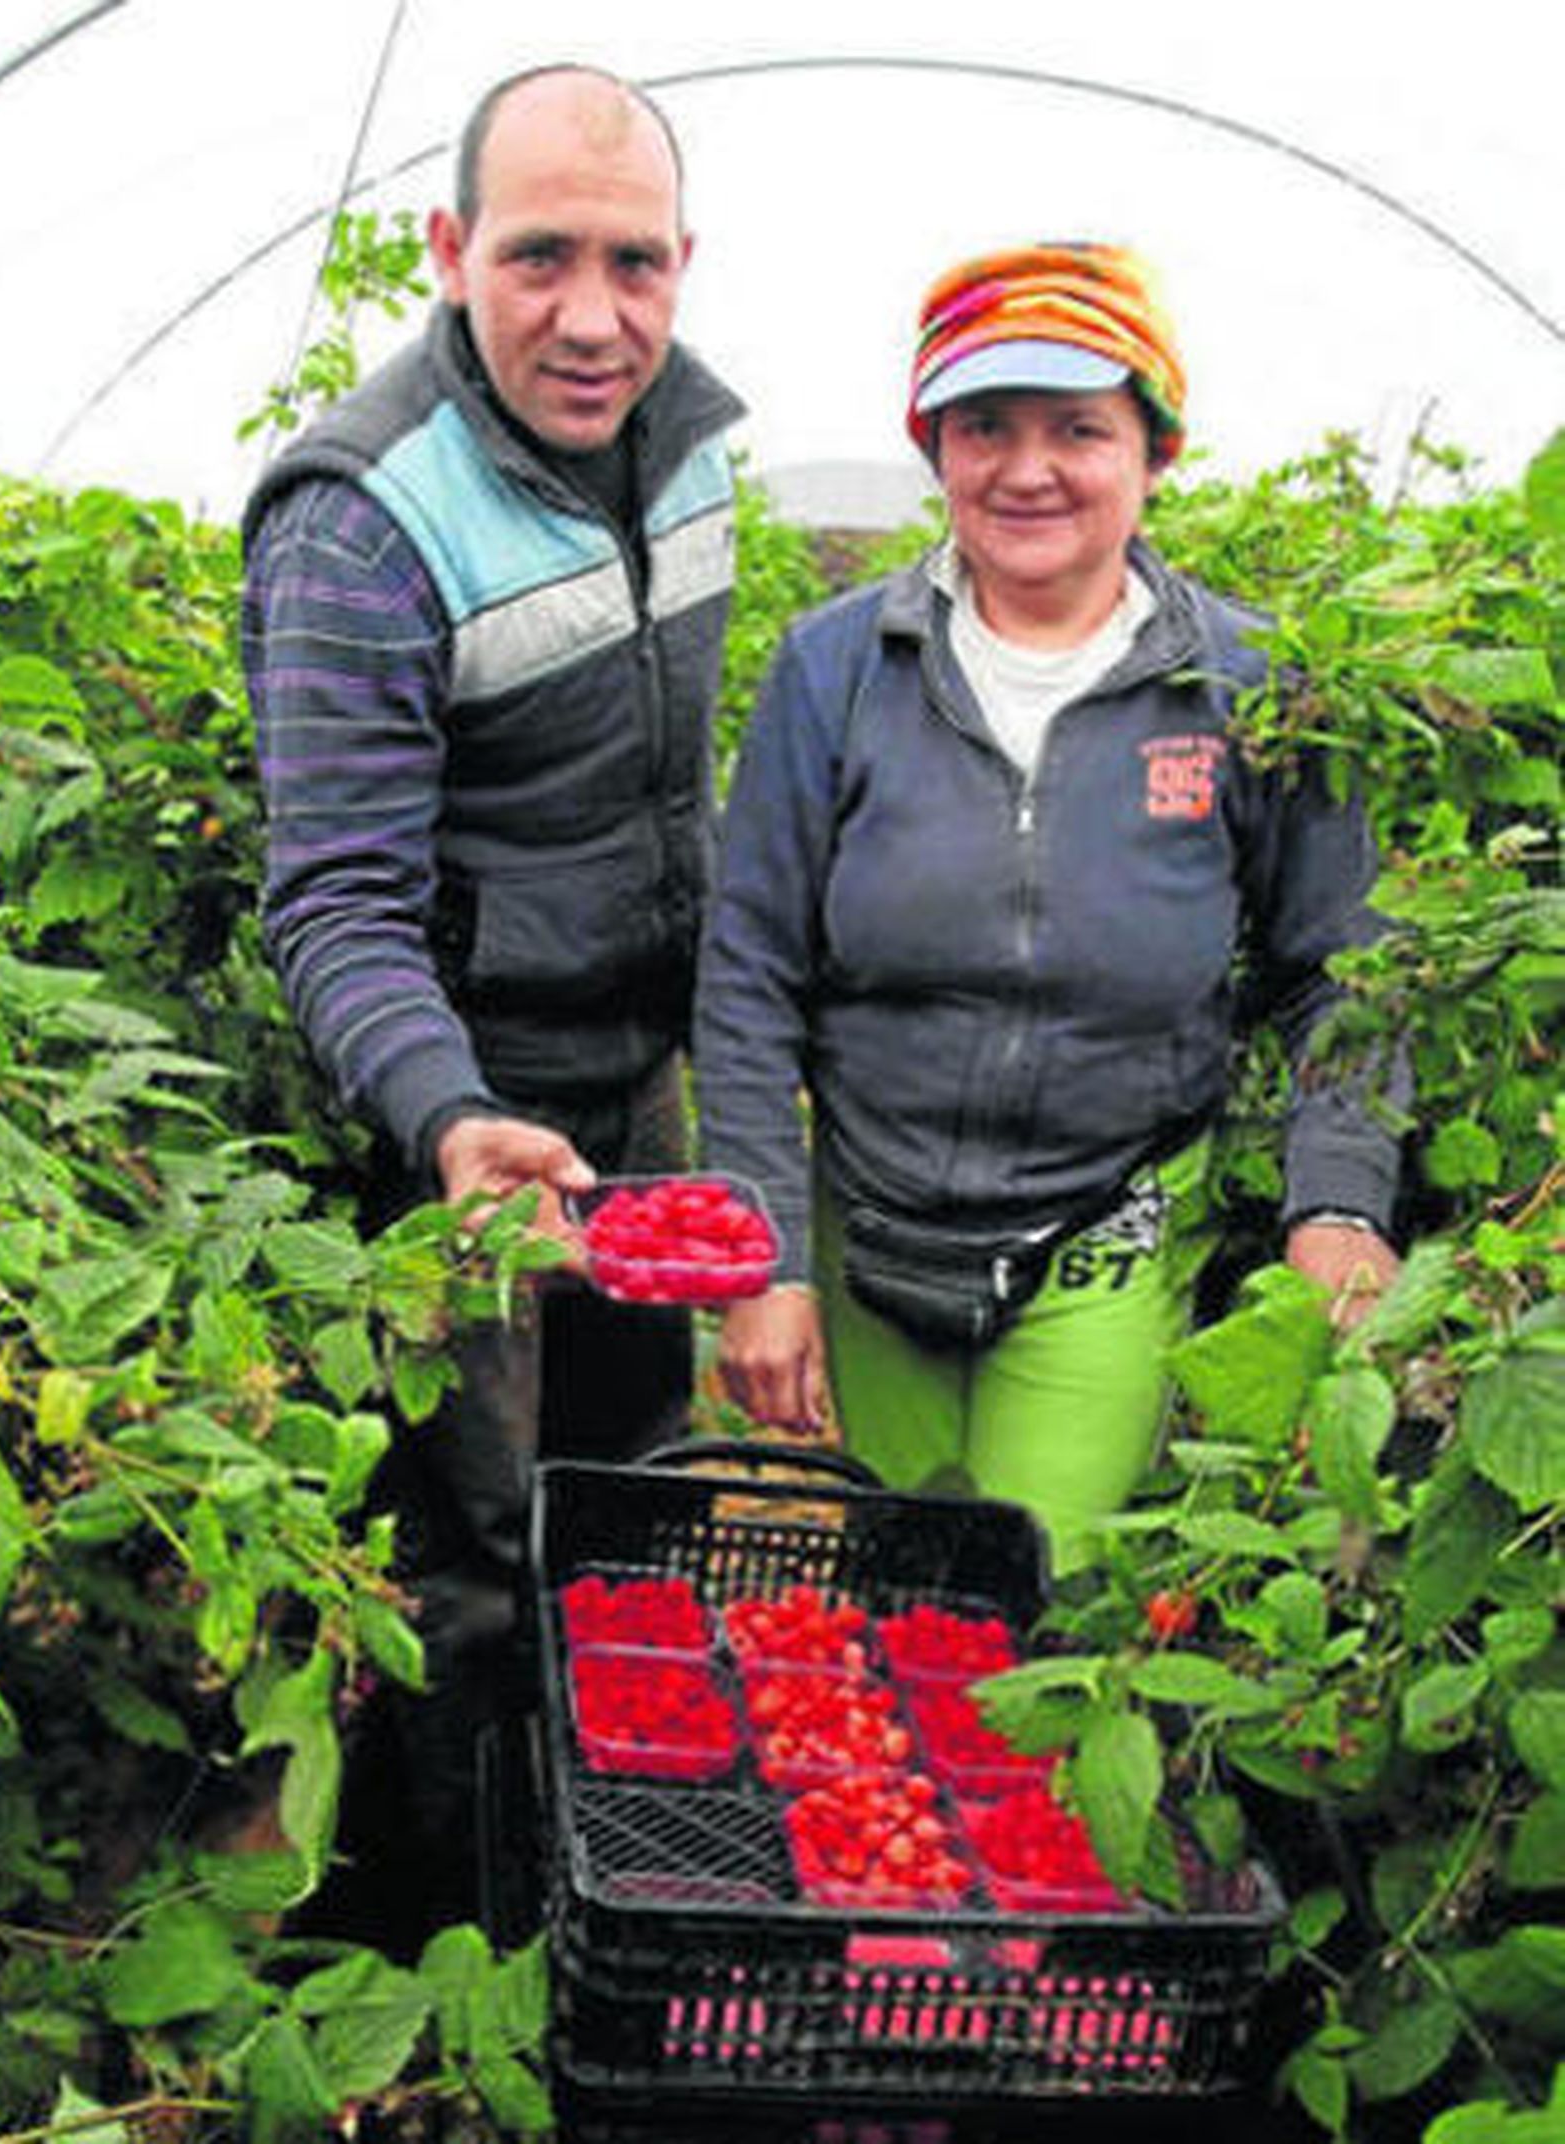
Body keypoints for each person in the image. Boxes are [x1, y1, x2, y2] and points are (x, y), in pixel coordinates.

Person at [240, 64, 744, 1942]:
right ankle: (443, 1948)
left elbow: (667, 794)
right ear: (453, 252)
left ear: (685, 266)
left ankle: (609, 1886)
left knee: (622, 1508)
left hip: (631, 1093)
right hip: (452, 1115)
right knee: (462, 1555)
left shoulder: (689, 445)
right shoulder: (362, 517)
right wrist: (452, 1118)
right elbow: (340, 904)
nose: (592, 317)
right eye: (540, 259)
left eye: (635, 263)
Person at [694, 242, 1402, 1576]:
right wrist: (767, 1260)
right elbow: (748, 976)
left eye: (1079, 427)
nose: (1028, 470)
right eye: (983, 427)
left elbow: (1341, 972)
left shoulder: (1251, 688)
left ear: (1157, 450)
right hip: (872, 1226)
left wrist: (1341, 1204)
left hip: (1101, 1227)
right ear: (936, 448)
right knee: (900, 1580)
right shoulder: (837, 669)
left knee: (1038, 1583)